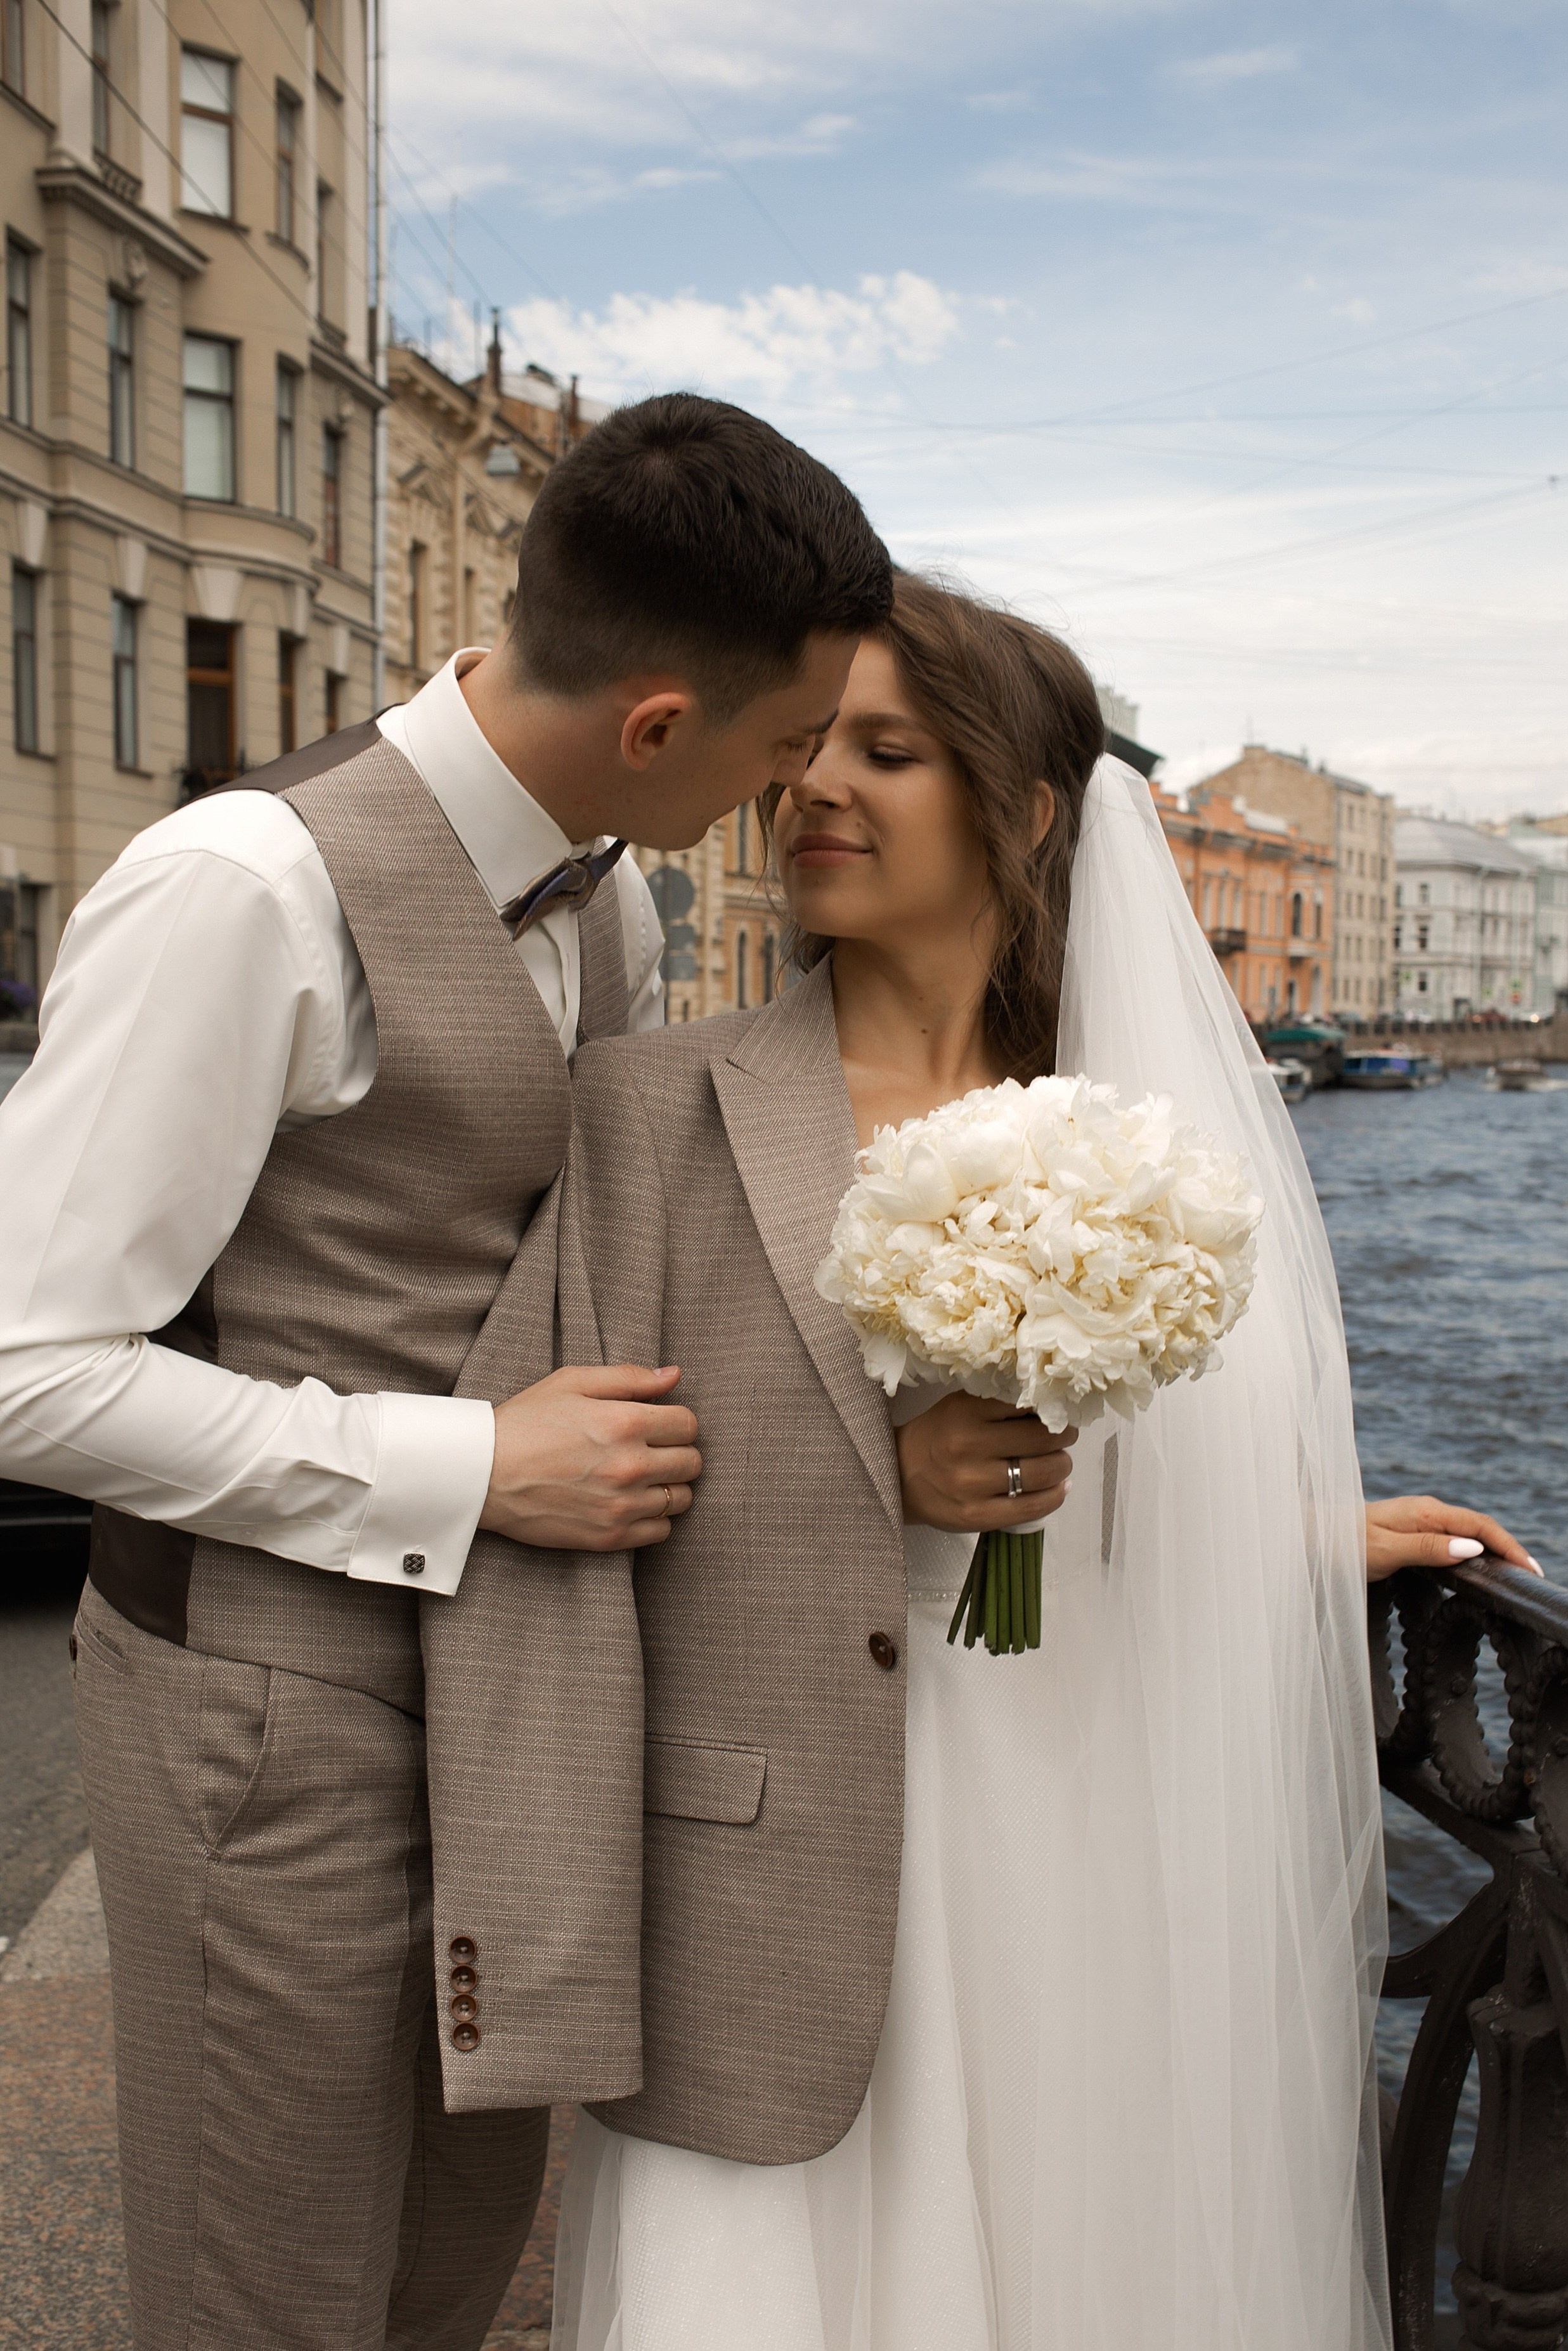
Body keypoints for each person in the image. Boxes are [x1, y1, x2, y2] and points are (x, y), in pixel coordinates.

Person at [531, 574, 1535, 2351]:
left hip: (1077, 1798)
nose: (814, 788)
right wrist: (873, 1482)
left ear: (1024, 804)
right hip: (771, 1840)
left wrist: (1293, 1531)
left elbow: (1131, 1458)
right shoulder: (648, 1103)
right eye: (803, 747)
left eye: (886, 749)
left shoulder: (1149, 1138)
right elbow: (555, 1499)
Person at [0, 394, 892, 2350]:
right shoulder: (241, 888)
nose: (791, 784)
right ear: (660, 723)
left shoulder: (610, 901)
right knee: (270, 2300)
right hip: (263, 1719)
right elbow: (26, 1370)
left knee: (438, 2279)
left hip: (506, 1714)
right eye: (780, 742)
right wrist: (465, 1469)